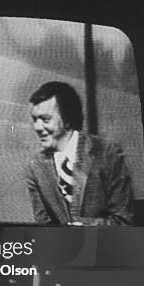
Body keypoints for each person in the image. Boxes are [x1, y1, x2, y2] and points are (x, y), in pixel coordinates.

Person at [26, 81, 133, 226]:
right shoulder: (36, 166)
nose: (37, 127)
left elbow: (124, 220)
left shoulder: (107, 153)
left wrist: (83, 229)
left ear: (67, 119)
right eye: (34, 119)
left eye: (45, 119)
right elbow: (44, 225)